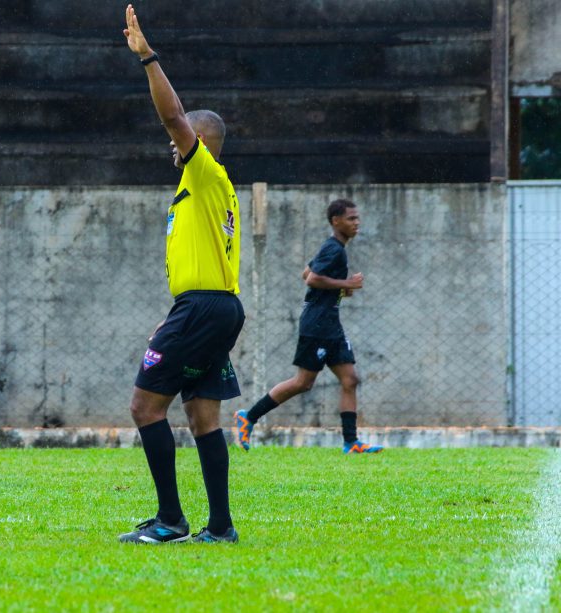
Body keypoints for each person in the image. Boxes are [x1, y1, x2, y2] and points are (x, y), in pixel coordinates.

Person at [118, 4, 245, 544]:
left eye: (185, 136)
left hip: (203, 308)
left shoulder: (206, 170)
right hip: (213, 309)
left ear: (201, 142)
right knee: (202, 416)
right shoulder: (204, 187)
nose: (174, 140)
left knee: (145, 406)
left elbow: (173, 117)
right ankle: (220, 527)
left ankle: (171, 521)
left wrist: (148, 57)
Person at [234, 199, 384, 454]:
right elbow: (313, 279)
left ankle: (351, 442)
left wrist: (341, 287)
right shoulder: (334, 249)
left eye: (357, 218)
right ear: (336, 221)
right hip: (317, 325)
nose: (356, 223)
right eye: (351, 219)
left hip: (330, 323)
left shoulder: (334, 248)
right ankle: (249, 416)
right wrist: (346, 283)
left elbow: (306, 273)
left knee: (350, 380)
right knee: (303, 382)